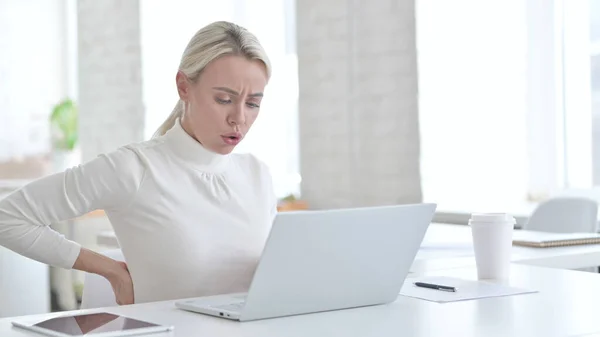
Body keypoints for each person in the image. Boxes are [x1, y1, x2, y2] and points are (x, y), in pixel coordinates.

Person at [0, 21, 277, 306]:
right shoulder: (135, 169)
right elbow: (7, 217)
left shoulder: (258, 175)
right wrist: (110, 270)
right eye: (224, 99)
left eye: (253, 104)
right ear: (184, 87)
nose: (239, 118)